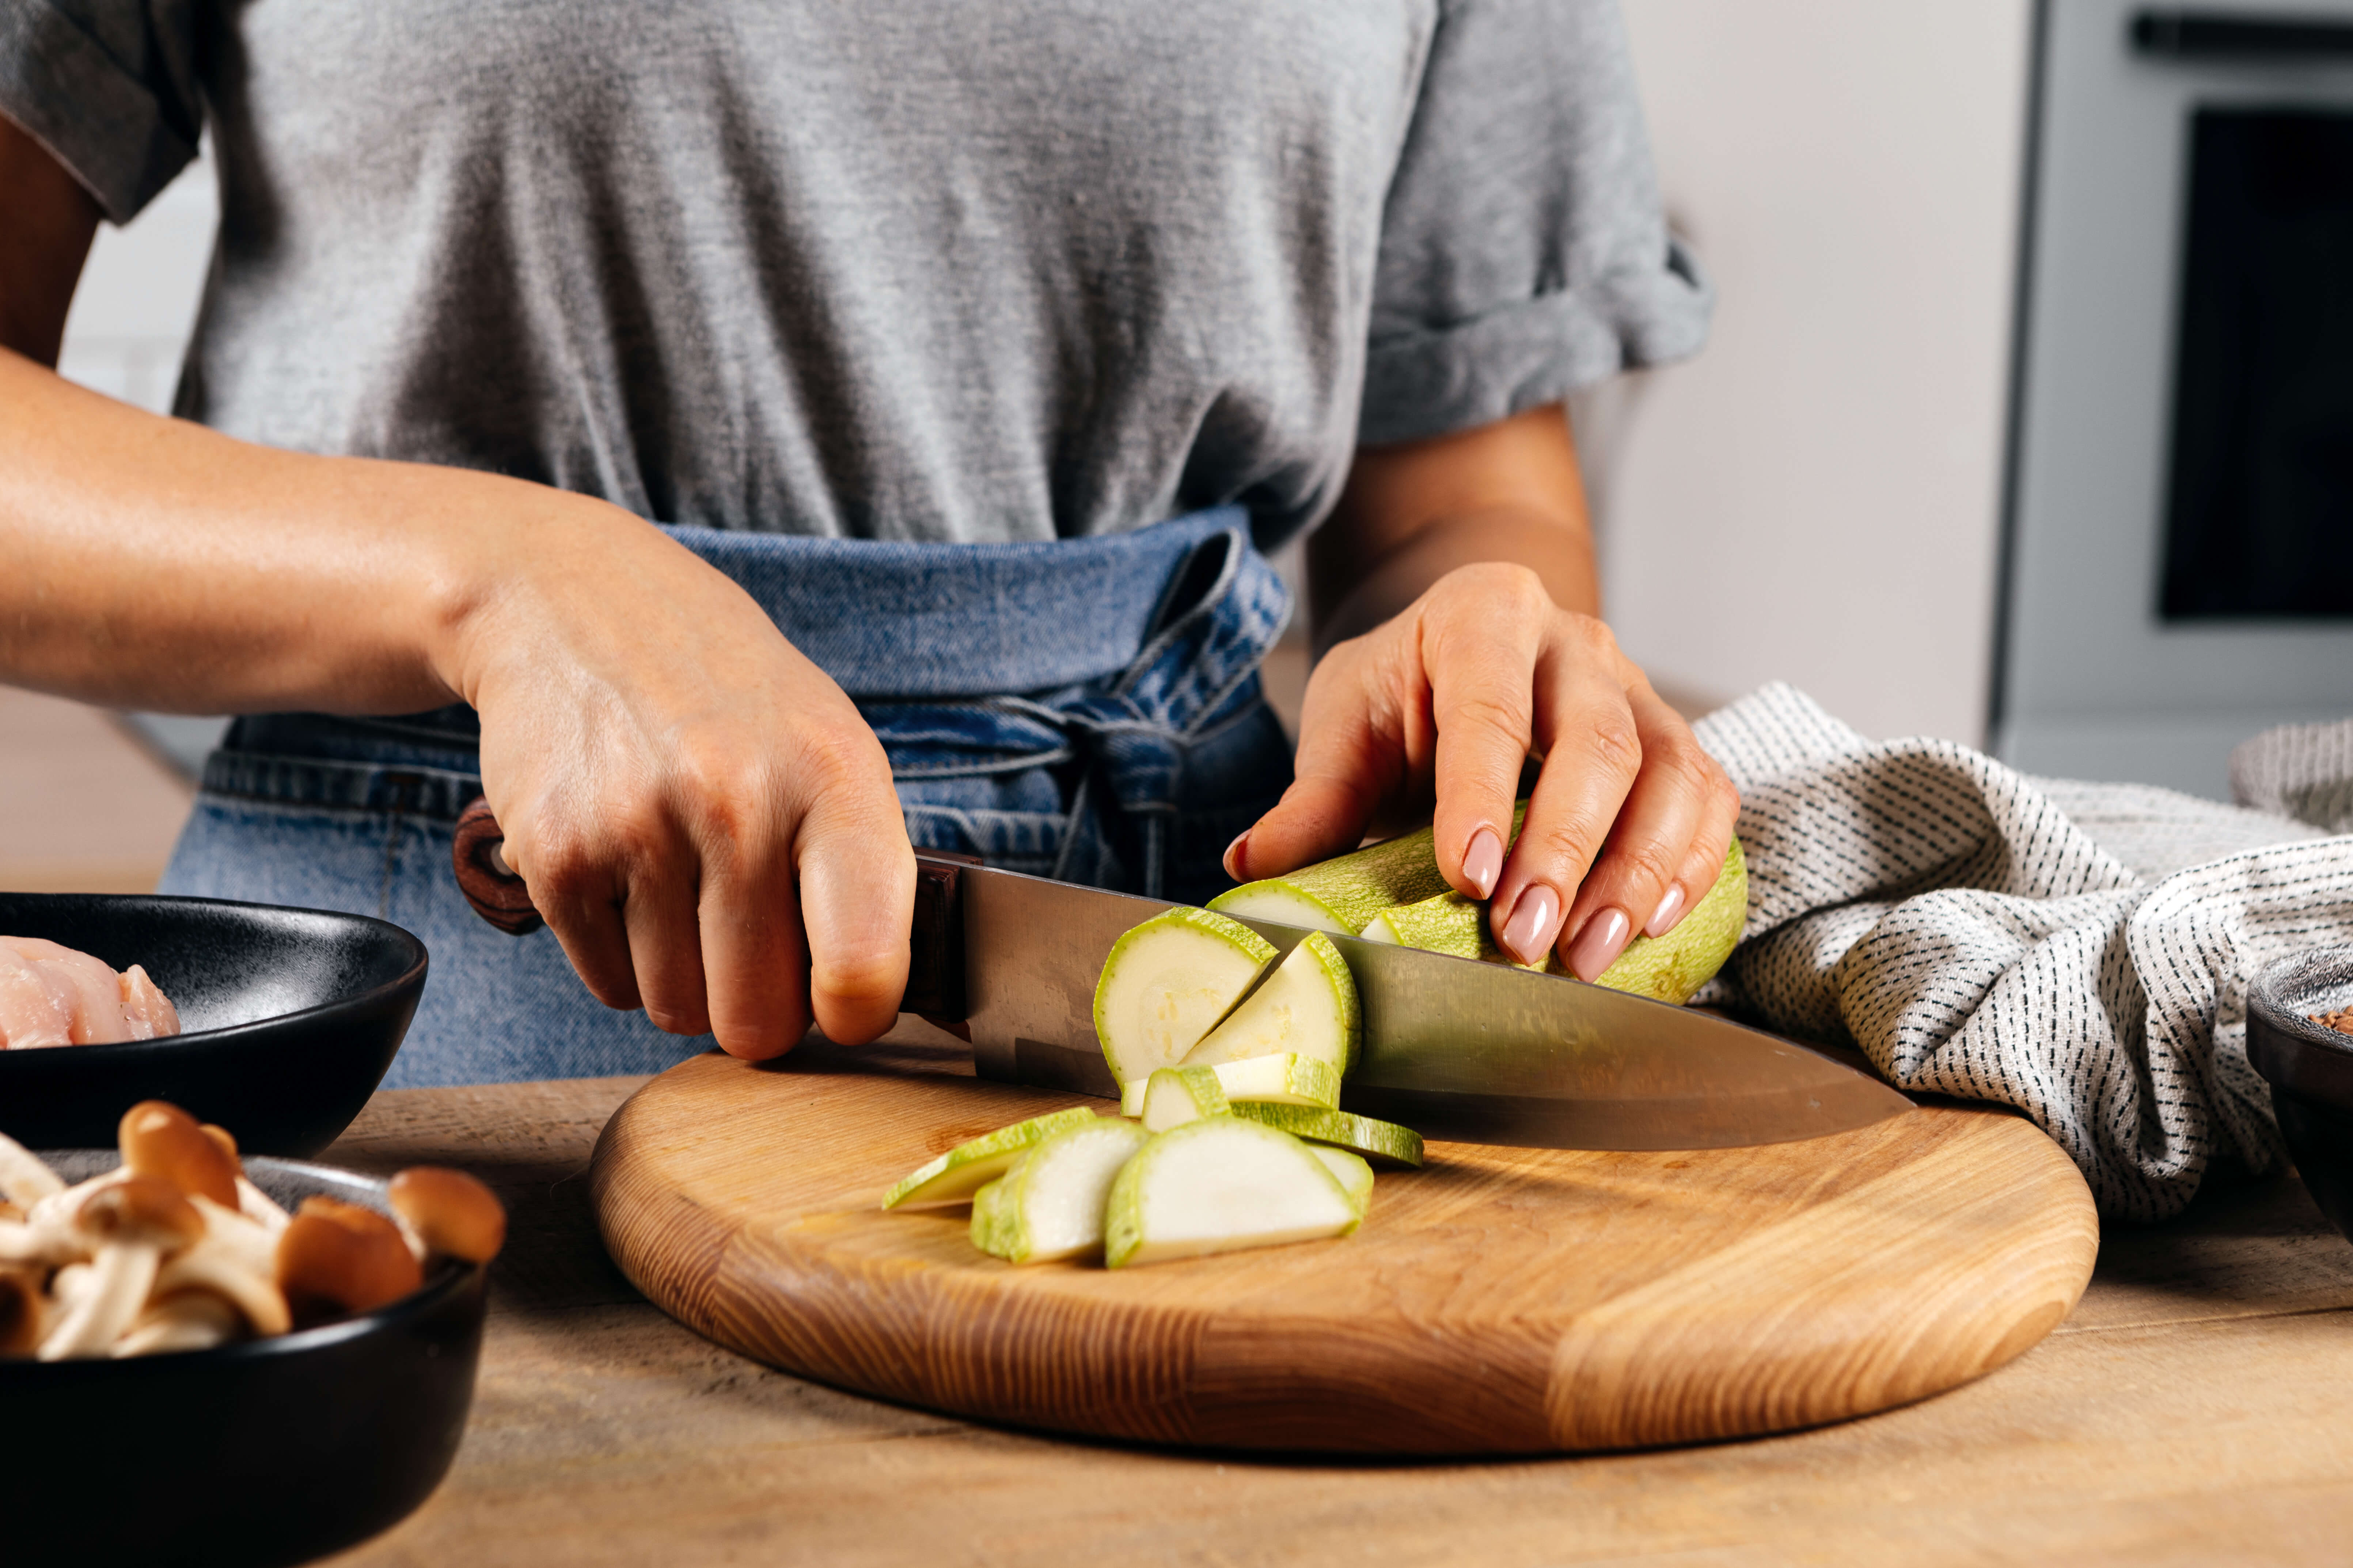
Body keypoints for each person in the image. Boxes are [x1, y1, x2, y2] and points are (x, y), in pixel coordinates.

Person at [0, 0, 1739, 1086]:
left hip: (1200, 949)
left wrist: (1480, 646)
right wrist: (511, 584)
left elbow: (1457, 497)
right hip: (432, 997)